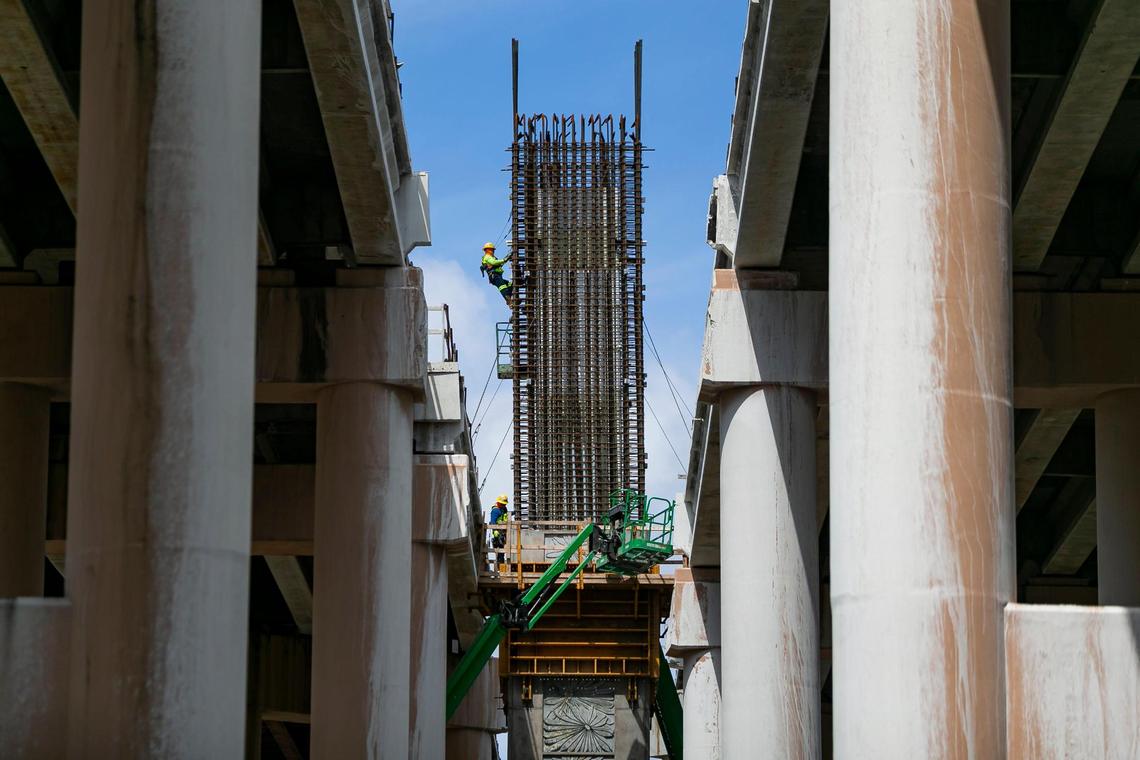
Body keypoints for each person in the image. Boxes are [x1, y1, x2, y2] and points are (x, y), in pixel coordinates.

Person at [480, 242, 514, 306]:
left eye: (493, 249)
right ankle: (509, 300)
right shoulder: (487, 257)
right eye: (491, 249)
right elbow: (494, 263)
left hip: (497, 276)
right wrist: (504, 260)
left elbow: (498, 264)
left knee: (509, 284)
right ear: (487, 250)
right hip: (494, 276)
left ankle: (509, 299)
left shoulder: (491, 257)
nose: (493, 251)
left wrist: (507, 258)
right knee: (503, 287)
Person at [489, 494, 510, 568]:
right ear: (498, 503)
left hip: (503, 532)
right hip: (498, 534)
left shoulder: (503, 509)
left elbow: (505, 516)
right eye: (502, 504)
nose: (504, 505)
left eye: (504, 504)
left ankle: (502, 568)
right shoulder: (495, 511)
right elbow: (493, 522)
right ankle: (499, 569)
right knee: (499, 554)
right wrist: (495, 531)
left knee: (503, 552)